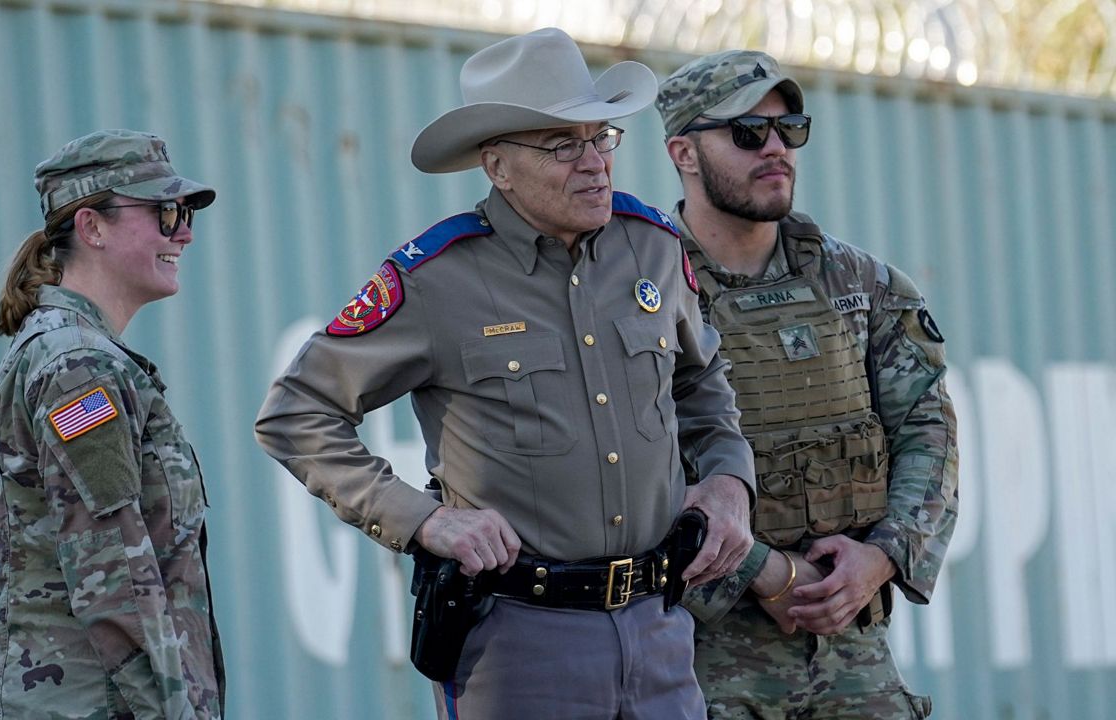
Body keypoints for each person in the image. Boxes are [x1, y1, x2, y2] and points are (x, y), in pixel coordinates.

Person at [255, 27, 757, 720]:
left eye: (600, 137)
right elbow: (296, 414)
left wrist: (730, 480)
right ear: (497, 166)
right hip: (519, 644)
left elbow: (700, 382)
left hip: (660, 631)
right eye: (561, 145)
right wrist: (424, 522)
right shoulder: (436, 279)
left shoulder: (654, 248)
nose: (593, 163)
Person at [654, 51, 959, 719]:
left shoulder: (862, 284)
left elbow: (926, 431)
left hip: (853, 643)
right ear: (683, 150)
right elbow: (626, 473)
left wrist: (881, 557)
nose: (775, 149)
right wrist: (764, 573)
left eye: (789, 128)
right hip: (706, 655)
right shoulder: (643, 292)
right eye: (746, 133)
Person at [0, 129, 224, 719]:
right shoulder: (78, 366)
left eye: (185, 212)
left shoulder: (77, 354)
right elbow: (113, 574)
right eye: (166, 212)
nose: (184, 231)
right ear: (91, 227)